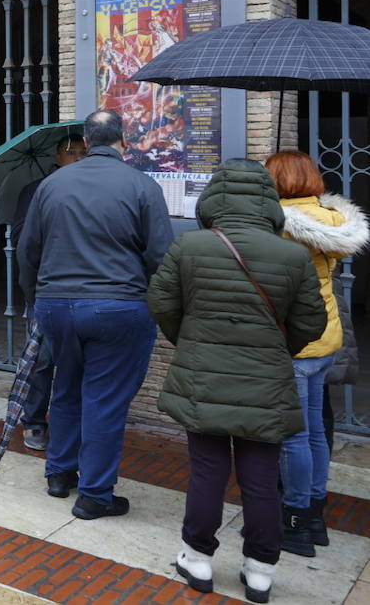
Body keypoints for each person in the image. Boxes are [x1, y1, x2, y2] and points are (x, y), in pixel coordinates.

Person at [147, 159, 325, 602]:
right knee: (262, 478)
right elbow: (312, 322)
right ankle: (261, 569)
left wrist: (188, 340)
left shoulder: (190, 246)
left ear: (214, 199)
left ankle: (198, 558)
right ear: (268, 201)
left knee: (207, 471)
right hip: (265, 381)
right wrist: (275, 350)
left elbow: (161, 302)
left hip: (203, 376)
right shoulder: (292, 254)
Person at [16, 109, 172, 519]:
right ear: (124, 139)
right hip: (118, 306)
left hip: (55, 305)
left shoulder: (51, 185)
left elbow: (27, 250)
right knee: (104, 400)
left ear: (85, 141)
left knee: (66, 386)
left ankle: (59, 473)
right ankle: (96, 495)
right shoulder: (143, 186)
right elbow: (160, 257)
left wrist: (38, 299)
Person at [265, 150, 369, 556]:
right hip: (326, 336)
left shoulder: (277, 223)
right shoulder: (332, 220)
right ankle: (315, 511)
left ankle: (295, 520)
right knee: (314, 430)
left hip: (294, 340)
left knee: (293, 435)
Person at [13, 134, 88, 451]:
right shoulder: (36, 190)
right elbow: (21, 240)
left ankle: (70, 422)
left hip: (83, 287)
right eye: (76, 153)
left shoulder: (90, 190)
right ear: (61, 155)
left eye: (86, 152)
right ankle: (33, 421)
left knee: (79, 360)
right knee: (41, 359)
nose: (82, 158)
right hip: (47, 286)